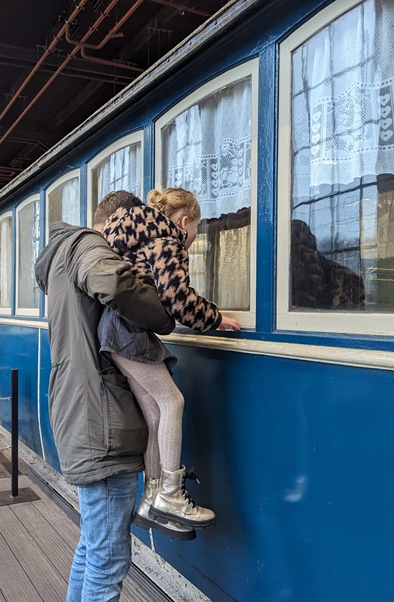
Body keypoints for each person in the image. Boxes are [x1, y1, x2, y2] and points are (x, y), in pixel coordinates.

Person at [34, 190, 177, 602]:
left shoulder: (62, 256)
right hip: (102, 422)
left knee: (93, 547)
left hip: (84, 414)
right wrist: (164, 313)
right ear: (123, 220)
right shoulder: (87, 245)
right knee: (110, 559)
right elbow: (112, 282)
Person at [98, 187, 240, 532]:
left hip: (116, 328)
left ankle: (151, 498)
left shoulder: (140, 236)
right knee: (172, 403)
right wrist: (215, 318)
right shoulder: (168, 239)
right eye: (196, 229)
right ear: (186, 221)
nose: (193, 237)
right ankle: (171, 495)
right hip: (129, 330)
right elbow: (177, 298)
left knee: (154, 412)